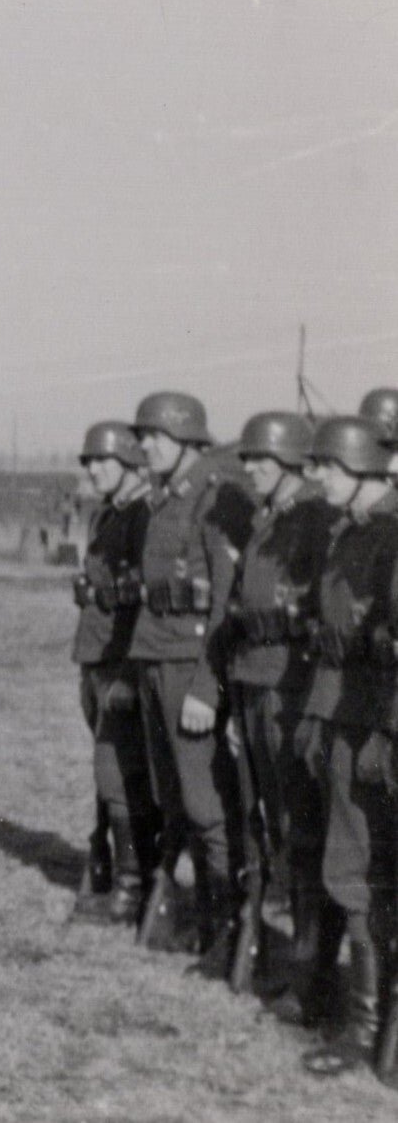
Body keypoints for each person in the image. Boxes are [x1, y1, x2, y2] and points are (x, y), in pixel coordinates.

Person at [199, 413, 334, 998]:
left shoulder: (315, 519)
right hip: (256, 680)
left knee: (300, 830)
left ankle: (311, 973)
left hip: (291, 685)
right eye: (248, 459)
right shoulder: (268, 520)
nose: (249, 469)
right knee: (268, 823)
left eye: (261, 460)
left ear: (292, 462)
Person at [126, 392, 253, 971]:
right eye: (142, 434)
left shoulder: (213, 495)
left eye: (154, 434)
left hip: (190, 662)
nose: (143, 444)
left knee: (206, 805)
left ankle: (230, 931)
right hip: (157, 656)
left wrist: (208, 684)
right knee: (175, 798)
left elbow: (228, 599)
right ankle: (203, 924)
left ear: (187, 438)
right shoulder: (167, 496)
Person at [291, 416, 398, 1084]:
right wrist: (315, 715)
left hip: (378, 726)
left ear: (360, 465)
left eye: (326, 465)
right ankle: (364, 1023)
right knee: (353, 871)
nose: (316, 476)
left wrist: (387, 731)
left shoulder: (390, 535)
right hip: (345, 717)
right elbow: (336, 640)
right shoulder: (348, 532)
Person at [68, 421, 155, 925]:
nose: (93, 469)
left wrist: (128, 670)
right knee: (112, 772)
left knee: (118, 771)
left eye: (102, 461)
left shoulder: (145, 516)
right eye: (89, 462)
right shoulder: (107, 515)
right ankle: (120, 873)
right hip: (97, 656)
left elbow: (145, 599)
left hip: (124, 659)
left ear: (128, 463)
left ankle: (130, 887)